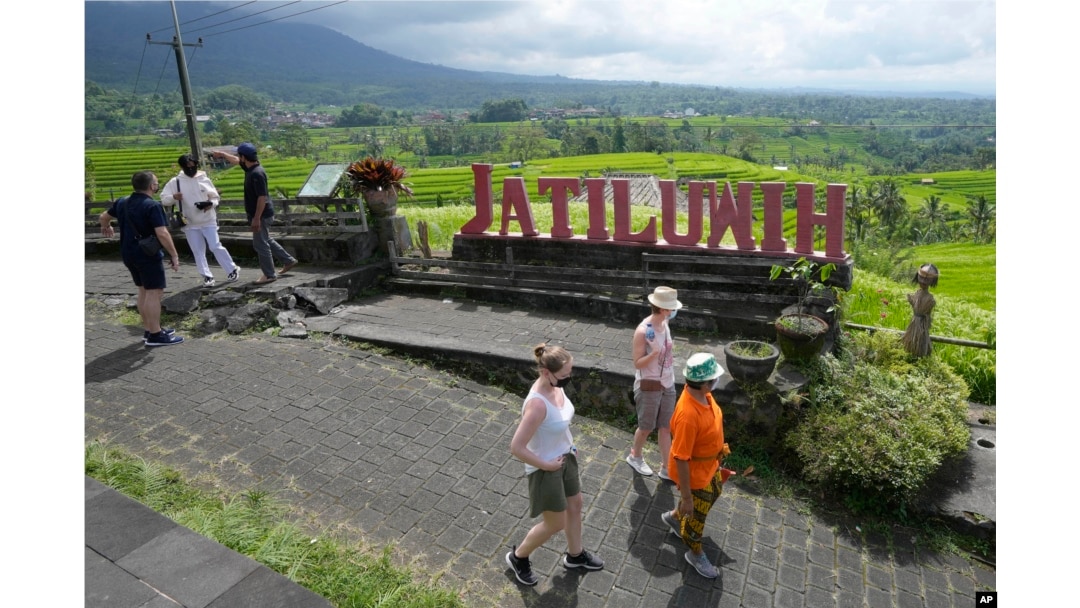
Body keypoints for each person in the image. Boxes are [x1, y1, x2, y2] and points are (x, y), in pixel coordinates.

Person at [506, 344, 604, 586]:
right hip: (544, 467)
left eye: (570, 373)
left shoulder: (555, 386)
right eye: (564, 376)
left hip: (565, 457)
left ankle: (575, 555)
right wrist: (547, 466)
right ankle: (518, 557)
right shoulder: (537, 405)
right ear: (545, 372)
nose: (568, 379)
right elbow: (516, 447)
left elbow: (558, 421)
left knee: (576, 505)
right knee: (555, 523)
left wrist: (567, 443)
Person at [661, 352, 734, 579]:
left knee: (715, 492)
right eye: (713, 379)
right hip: (694, 476)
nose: (716, 382)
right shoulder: (688, 415)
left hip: (709, 467)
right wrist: (687, 497)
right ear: (704, 384)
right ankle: (695, 553)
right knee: (695, 520)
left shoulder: (704, 396)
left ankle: (674, 517)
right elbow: (681, 458)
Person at [99, 171, 184, 347]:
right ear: (152, 186)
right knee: (155, 292)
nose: (157, 185)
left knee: (143, 290)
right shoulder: (152, 206)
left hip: (128, 252)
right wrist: (174, 255)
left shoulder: (122, 201)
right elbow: (162, 233)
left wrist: (106, 227)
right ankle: (155, 335)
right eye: (156, 182)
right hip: (147, 254)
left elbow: (103, 216)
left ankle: (150, 329)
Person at [211, 143, 297, 284]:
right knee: (265, 239)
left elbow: (261, 198)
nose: (239, 158)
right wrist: (222, 154)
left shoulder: (257, 174)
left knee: (260, 245)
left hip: (261, 215)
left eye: (240, 155)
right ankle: (288, 260)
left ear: (244, 157)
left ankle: (269, 275)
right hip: (262, 214)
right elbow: (236, 161)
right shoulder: (251, 167)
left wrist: (256, 218)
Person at [160, 153, 240, 288]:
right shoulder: (175, 182)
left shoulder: (204, 178)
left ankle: (232, 269)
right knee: (197, 250)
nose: (191, 169)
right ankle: (207, 276)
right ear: (182, 167)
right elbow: (164, 199)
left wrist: (211, 204)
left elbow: (215, 197)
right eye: (188, 167)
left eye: (193, 166)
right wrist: (174, 197)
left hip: (208, 219)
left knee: (215, 245)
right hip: (190, 222)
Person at [626, 286, 682, 480]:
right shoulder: (643, 331)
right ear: (663, 309)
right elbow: (637, 363)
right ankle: (635, 456)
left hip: (668, 383)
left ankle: (666, 467)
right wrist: (655, 353)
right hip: (649, 384)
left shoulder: (665, 323)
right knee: (646, 427)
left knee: (666, 427)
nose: (674, 311)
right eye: (671, 307)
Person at [901, 263, 939, 357]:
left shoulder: (930, 299)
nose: (923, 281)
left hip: (921, 328)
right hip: (913, 326)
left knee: (919, 347)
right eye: (921, 278)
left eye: (927, 280)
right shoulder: (916, 294)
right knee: (909, 346)